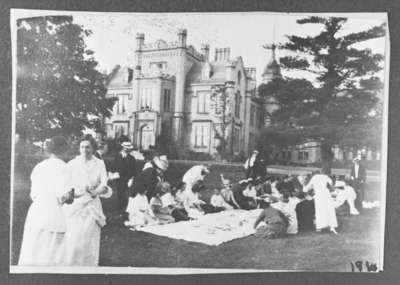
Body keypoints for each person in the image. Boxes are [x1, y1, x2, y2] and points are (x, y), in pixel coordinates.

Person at [18, 135, 74, 266]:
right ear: (64, 149)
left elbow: (34, 194)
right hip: (53, 214)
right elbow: (64, 196)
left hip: (36, 213)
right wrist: (71, 196)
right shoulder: (64, 168)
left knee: (33, 251)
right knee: (52, 255)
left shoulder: (39, 166)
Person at [64, 134, 112, 266]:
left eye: (88, 147)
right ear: (79, 148)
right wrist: (74, 192)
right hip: (76, 205)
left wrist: (95, 192)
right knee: (74, 237)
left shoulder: (99, 163)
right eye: (82, 147)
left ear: (93, 148)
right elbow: (66, 185)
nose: (85, 150)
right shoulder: (72, 164)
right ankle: (71, 265)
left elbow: (104, 184)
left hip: (92, 205)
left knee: (90, 238)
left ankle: (89, 266)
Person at [304, 169, 338, 234]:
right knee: (329, 209)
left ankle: (319, 227)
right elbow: (331, 183)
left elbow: (307, 188)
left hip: (319, 194)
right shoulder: (325, 176)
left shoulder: (314, 177)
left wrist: (305, 188)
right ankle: (331, 226)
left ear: (313, 174)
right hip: (326, 193)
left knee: (320, 210)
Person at [111, 141, 137, 215]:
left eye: (129, 149)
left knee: (125, 192)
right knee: (120, 192)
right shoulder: (117, 156)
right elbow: (113, 167)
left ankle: (125, 207)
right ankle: (120, 207)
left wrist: (132, 178)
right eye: (126, 148)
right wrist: (113, 174)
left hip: (127, 179)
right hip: (119, 178)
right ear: (123, 148)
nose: (128, 150)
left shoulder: (132, 158)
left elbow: (134, 170)